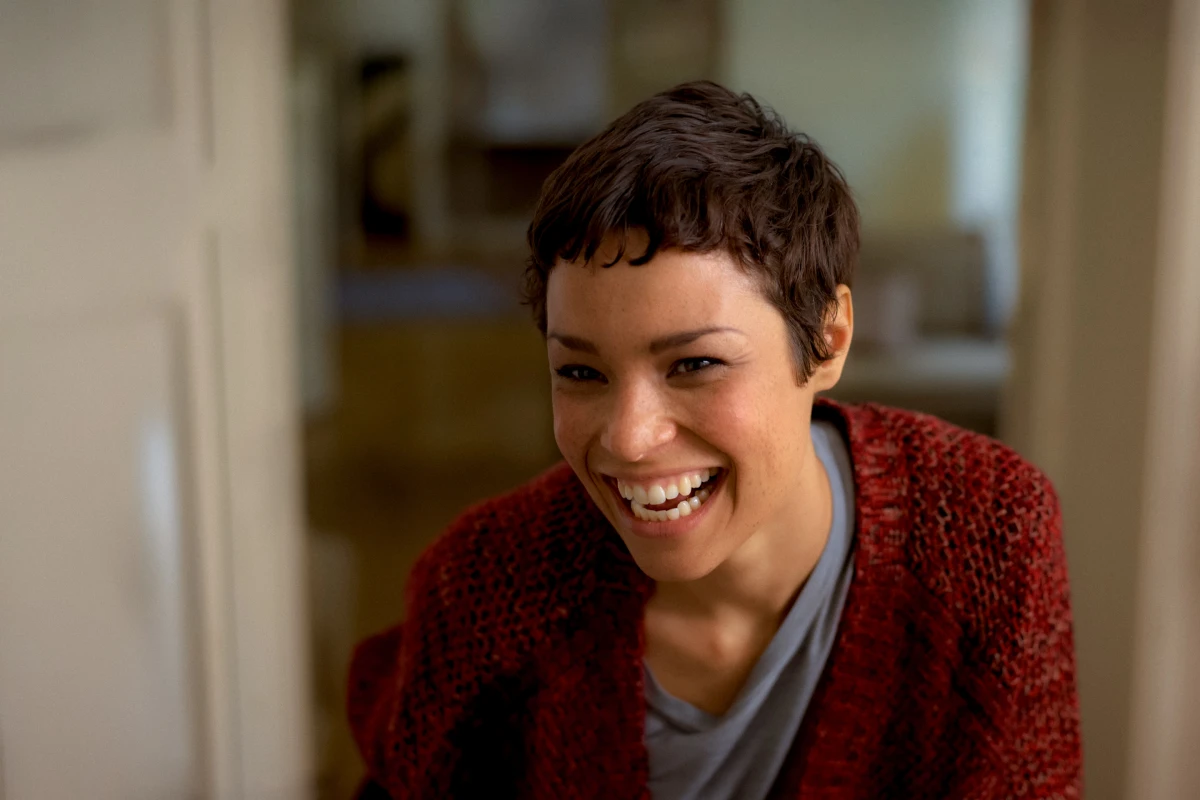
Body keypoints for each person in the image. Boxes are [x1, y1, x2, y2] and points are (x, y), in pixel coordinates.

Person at [346, 80, 1082, 799]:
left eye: (695, 364)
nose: (630, 439)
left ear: (827, 339)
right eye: (580, 370)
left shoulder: (989, 536)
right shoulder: (487, 590)